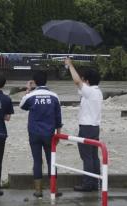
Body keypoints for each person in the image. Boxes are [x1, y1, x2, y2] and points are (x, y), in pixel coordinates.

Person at [19, 71, 62, 198]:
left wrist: (28, 90)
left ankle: (38, 191)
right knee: (51, 160)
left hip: (34, 133)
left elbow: (22, 106)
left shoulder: (31, 96)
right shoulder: (54, 96)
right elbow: (58, 117)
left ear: (35, 82)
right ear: (46, 81)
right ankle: (54, 189)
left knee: (37, 161)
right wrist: (58, 133)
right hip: (49, 133)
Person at [65, 58, 103, 192]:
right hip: (94, 128)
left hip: (87, 128)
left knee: (87, 157)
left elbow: (77, 82)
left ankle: (88, 184)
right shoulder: (97, 92)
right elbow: (79, 85)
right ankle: (96, 182)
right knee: (93, 156)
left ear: (87, 81)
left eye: (84, 79)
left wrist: (70, 65)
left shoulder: (90, 91)